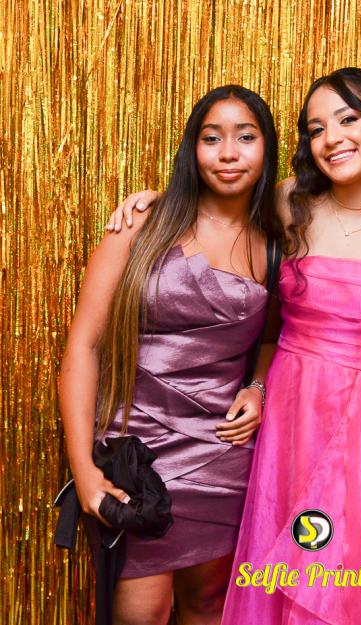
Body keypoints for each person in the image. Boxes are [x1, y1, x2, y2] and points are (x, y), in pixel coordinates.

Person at [109, 67, 361, 624]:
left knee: (347, 575)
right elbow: (215, 206)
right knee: (284, 570)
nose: (332, 138)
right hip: (288, 424)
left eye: (347, 119)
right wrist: (156, 203)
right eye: (316, 129)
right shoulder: (290, 203)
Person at [59, 85, 282, 625]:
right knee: (142, 613)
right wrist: (83, 470)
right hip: (140, 454)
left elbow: (274, 337)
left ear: (267, 149)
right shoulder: (142, 225)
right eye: (212, 138)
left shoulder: (277, 241)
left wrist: (257, 387)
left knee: (208, 606)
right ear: (192, 148)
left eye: (245, 137)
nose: (228, 153)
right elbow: (83, 347)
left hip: (223, 455)